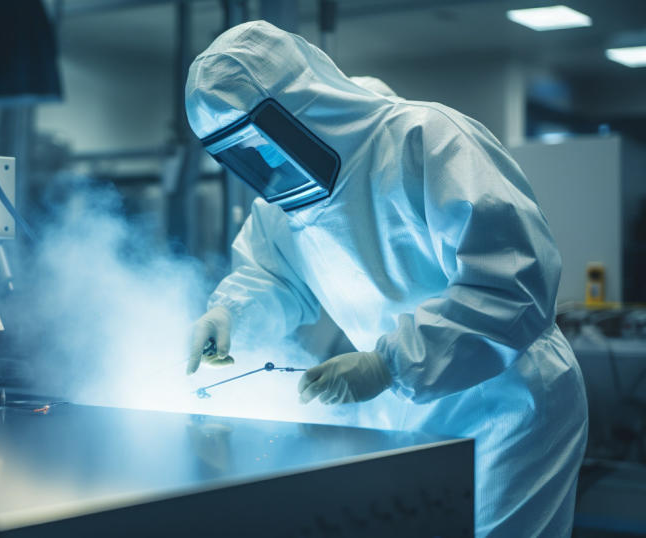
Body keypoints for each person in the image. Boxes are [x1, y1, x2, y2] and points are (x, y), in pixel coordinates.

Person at [185, 21, 588, 537]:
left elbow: (510, 287)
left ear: (298, 104)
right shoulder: (284, 198)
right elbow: (272, 275)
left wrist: (389, 363)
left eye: (261, 137)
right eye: (239, 149)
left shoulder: (427, 141)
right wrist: (230, 313)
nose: (263, 159)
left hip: (504, 400)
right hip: (398, 400)